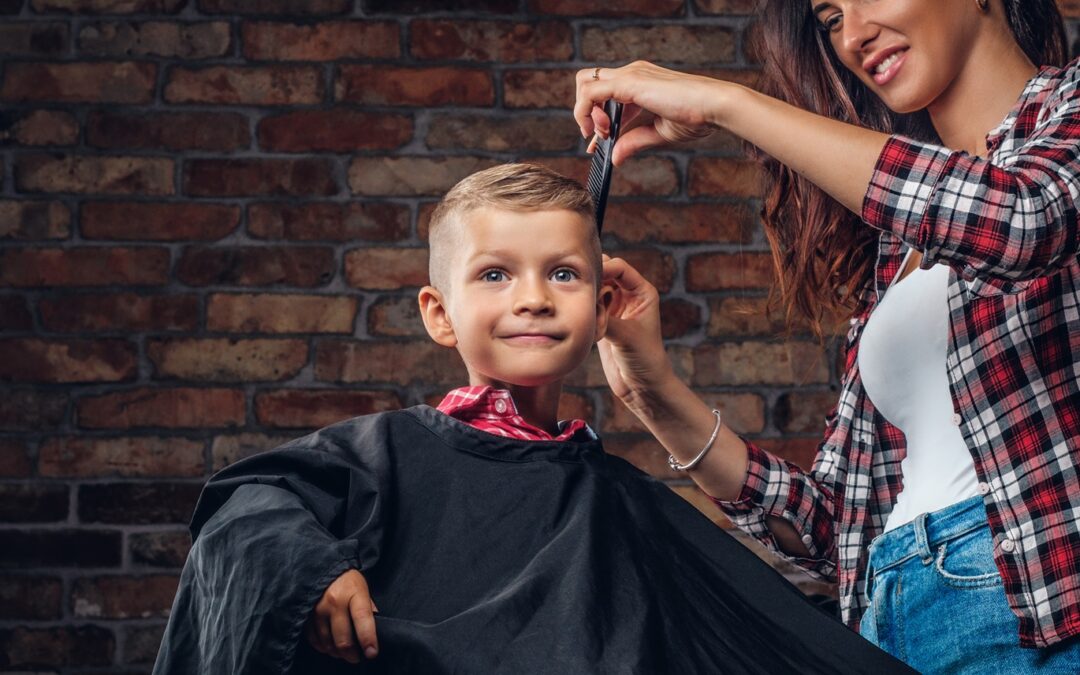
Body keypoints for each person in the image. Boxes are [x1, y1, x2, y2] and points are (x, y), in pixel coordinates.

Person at [152, 163, 910, 674]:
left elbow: (766, 632)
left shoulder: (625, 504)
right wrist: (310, 568)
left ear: (604, 306)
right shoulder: (380, 456)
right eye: (494, 274)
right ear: (439, 314)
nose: (533, 297)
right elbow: (245, 508)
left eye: (564, 273)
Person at [571, 0, 1080, 672]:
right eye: (831, 16)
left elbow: (1022, 222)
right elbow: (833, 530)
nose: (855, 34)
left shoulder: (1063, 119)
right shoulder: (896, 250)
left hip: (1033, 613)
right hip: (885, 622)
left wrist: (726, 104)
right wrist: (651, 388)